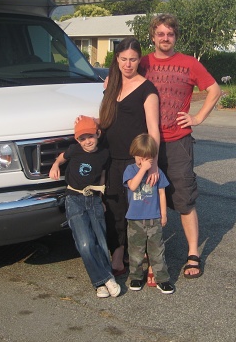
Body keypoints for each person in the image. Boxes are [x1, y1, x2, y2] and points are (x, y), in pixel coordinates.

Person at [140, 13, 221, 279]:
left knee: (184, 199)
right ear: (153, 37)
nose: (165, 38)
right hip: (148, 142)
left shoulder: (189, 63)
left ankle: (193, 253)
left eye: (170, 34)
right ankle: (149, 251)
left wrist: (197, 117)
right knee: (147, 197)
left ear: (175, 37)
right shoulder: (142, 63)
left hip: (178, 142)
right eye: (160, 34)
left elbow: (214, 90)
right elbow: (122, 82)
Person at [98, 37, 160, 277]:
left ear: (139, 60)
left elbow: (153, 130)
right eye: (123, 59)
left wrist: (152, 164)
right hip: (111, 158)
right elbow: (107, 119)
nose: (127, 64)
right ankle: (118, 253)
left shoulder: (147, 89)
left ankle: (142, 254)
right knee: (114, 208)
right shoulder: (110, 85)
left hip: (136, 162)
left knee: (138, 209)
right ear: (117, 59)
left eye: (133, 60)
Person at [49, 116, 121, 298]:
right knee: (85, 243)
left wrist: (101, 199)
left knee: (101, 242)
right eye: (82, 138)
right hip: (74, 199)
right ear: (77, 140)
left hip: (94, 199)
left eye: (90, 136)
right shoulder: (74, 150)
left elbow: (102, 176)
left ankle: (101, 285)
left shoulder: (104, 154)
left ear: (98, 134)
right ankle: (106, 279)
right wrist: (55, 165)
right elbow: (62, 157)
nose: (87, 141)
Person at [123, 133, 175, 294]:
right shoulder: (130, 170)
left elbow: (161, 193)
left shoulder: (157, 173)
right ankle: (136, 277)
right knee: (136, 251)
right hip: (135, 219)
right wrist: (143, 169)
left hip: (154, 218)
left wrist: (163, 214)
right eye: (140, 157)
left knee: (157, 251)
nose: (143, 161)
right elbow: (132, 186)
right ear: (134, 154)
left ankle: (162, 279)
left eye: (147, 158)